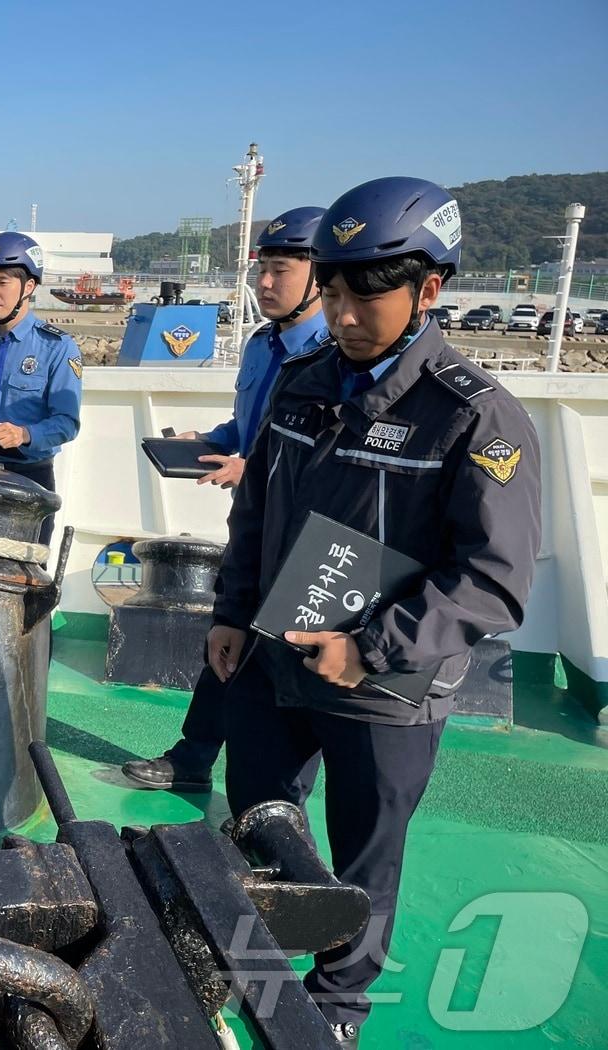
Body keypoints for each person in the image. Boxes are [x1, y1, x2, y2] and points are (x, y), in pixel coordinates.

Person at [212, 177, 541, 1045]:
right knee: (256, 811)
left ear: (428, 290)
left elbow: (495, 577)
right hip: (274, 656)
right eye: (332, 288)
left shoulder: (477, 419)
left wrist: (373, 646)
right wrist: (232, 611)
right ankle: (256, 960)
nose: (344, 312)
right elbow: (257, 513)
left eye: (367, 292)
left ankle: (338, 1011)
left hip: (383, 688)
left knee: (364, 859)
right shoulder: (304, 382)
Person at [123, 206, 329, 792]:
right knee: (228, 634)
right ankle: (192, 758)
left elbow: (324, 458)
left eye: (281, 269)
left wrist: (253, 466)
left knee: (292, 663)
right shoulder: (264, 345)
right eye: (261, 269)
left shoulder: (335, 356)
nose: (264, 283)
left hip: (305, 535)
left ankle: (280, 799)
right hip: (254, 525)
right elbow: (252, 427)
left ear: (320, 274)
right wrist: (211, 443)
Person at [0, 231, 82, 544]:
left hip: (28, 481)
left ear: (29, 287)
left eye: (2, 282)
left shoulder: (58, 347)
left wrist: (24, 435)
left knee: (23, 583)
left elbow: (66, 422)